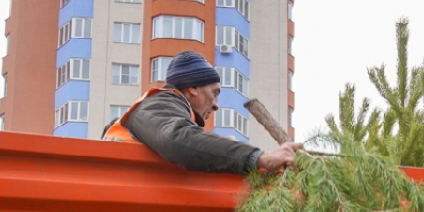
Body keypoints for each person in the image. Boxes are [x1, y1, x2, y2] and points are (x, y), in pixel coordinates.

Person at [103, 50, 300, 174]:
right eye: (214, 93)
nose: (216, 105)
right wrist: (258, 157)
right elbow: (180, 140)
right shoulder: (157, 105)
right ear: (193, 89)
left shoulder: (162, 112)